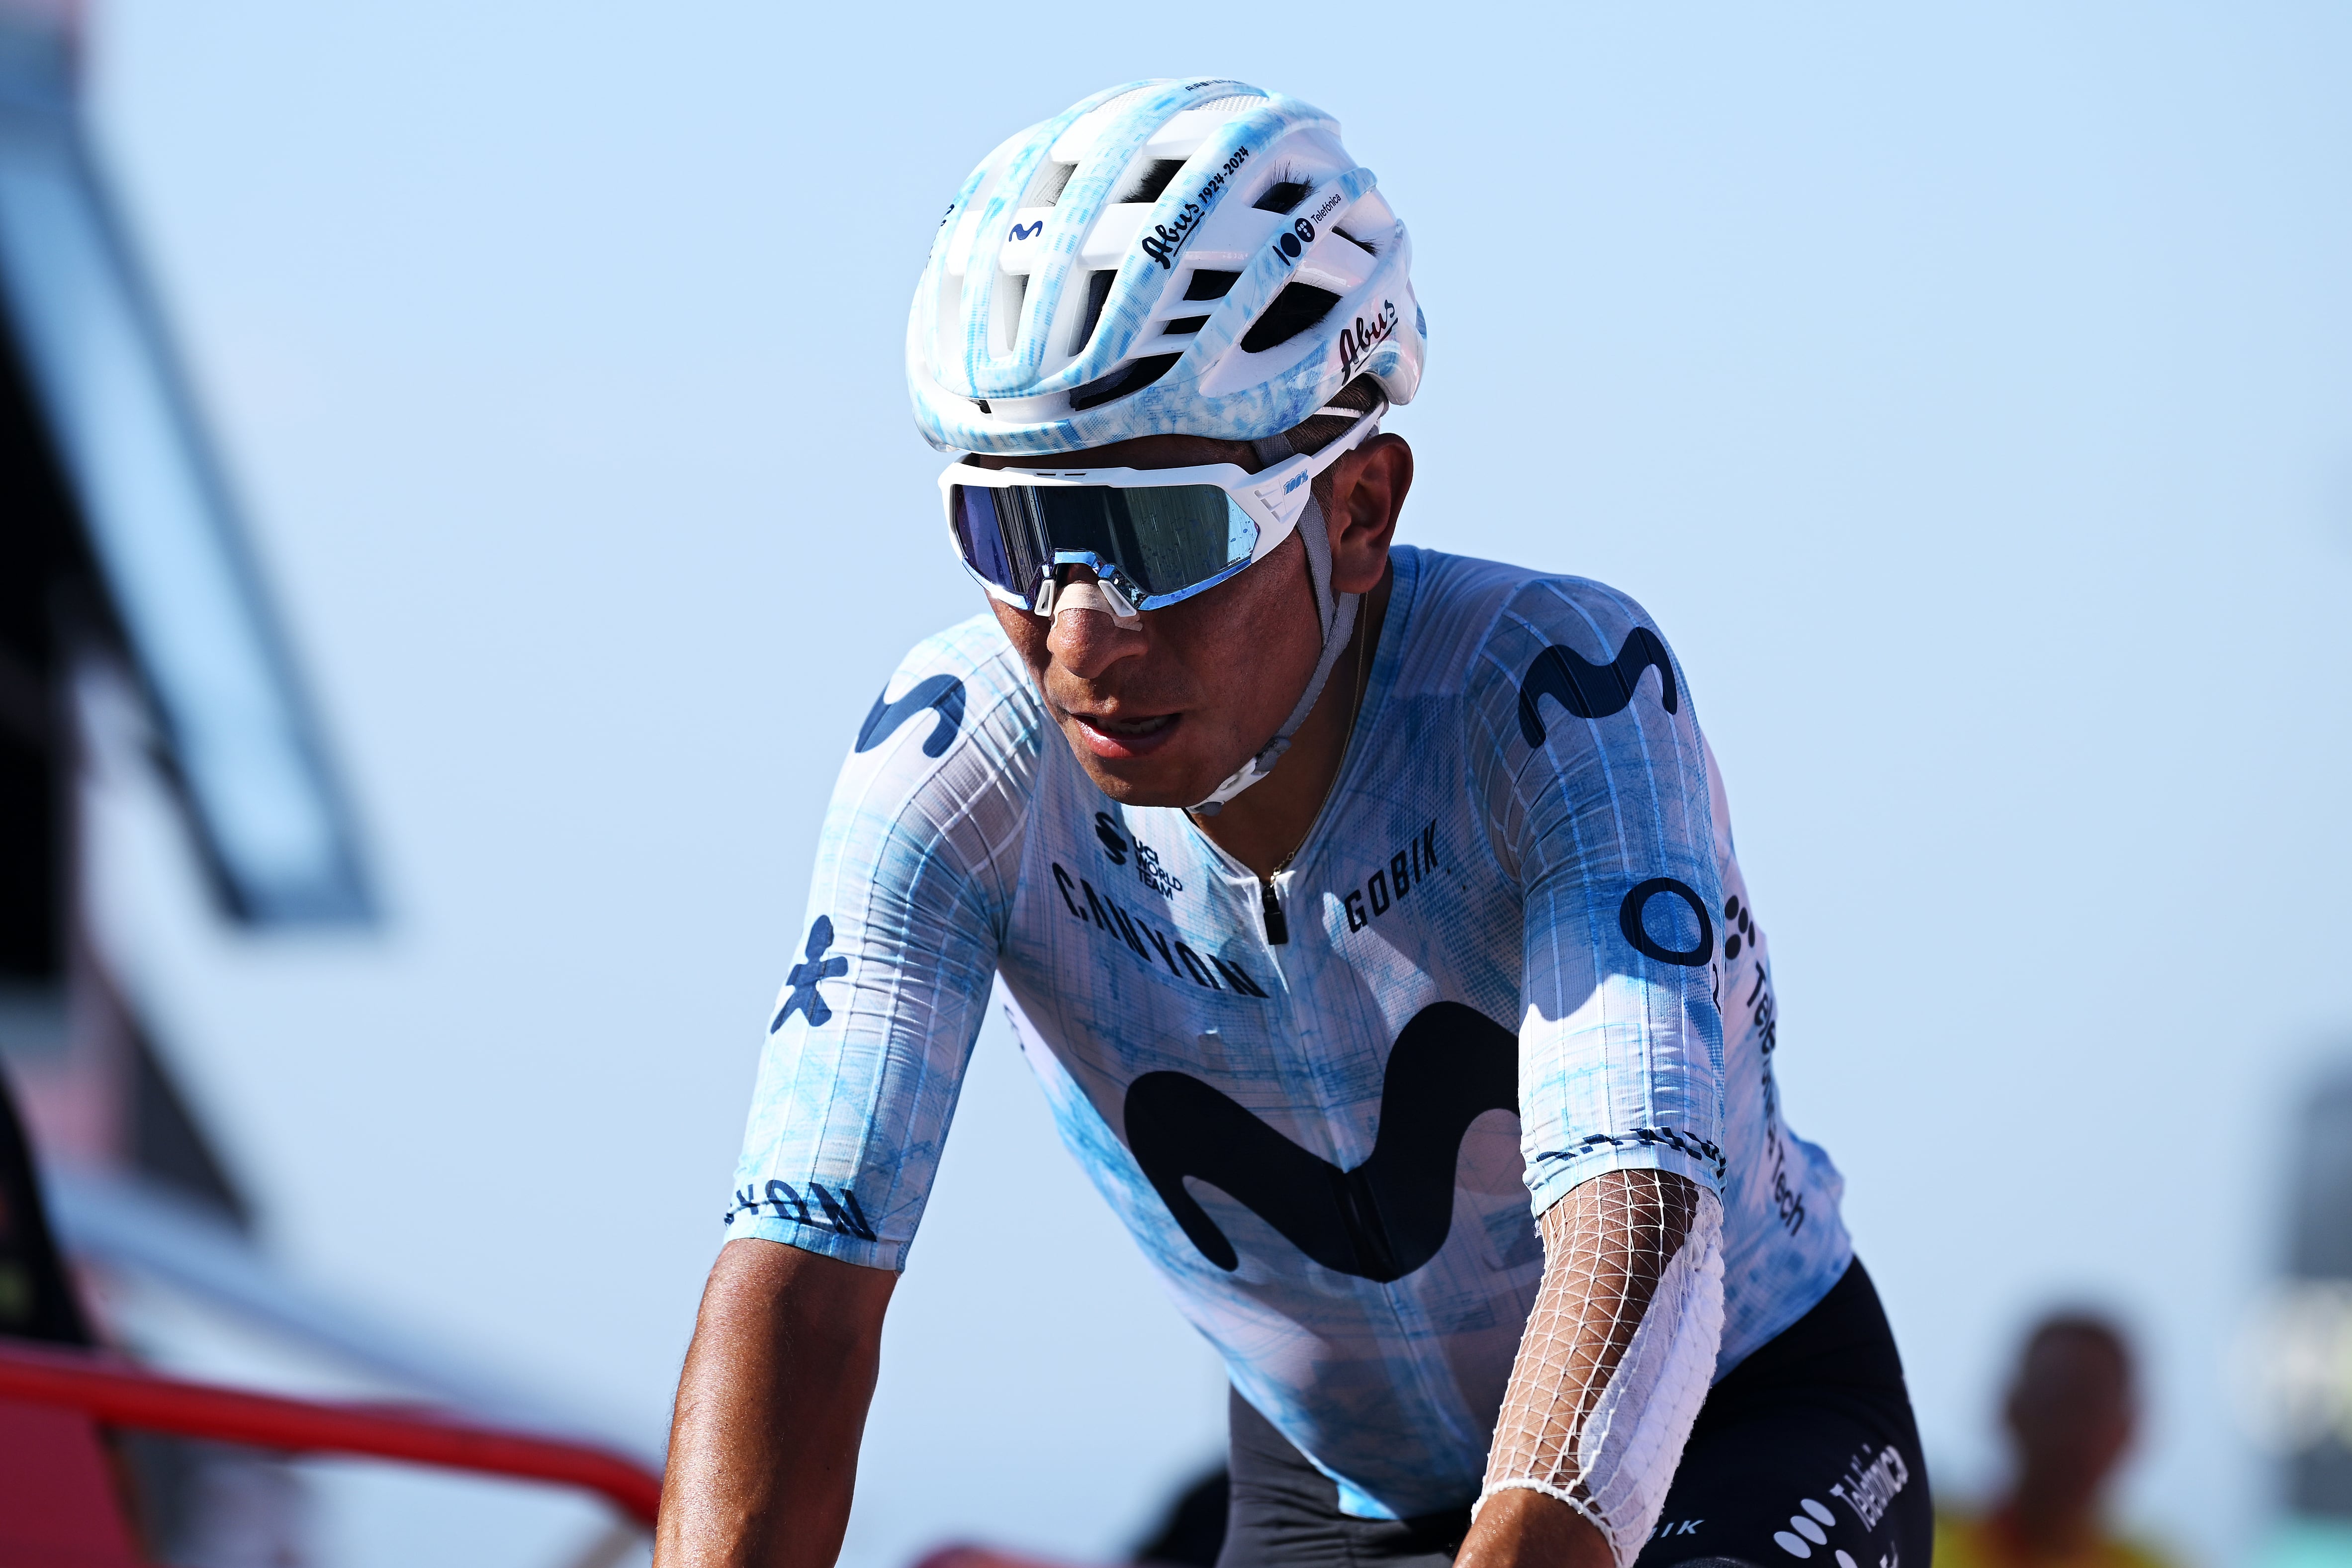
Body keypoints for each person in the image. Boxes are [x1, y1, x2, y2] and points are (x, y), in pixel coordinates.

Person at [655, 79, 1932, 1568]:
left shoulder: (1553, 697)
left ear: (1359, 506)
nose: (1079, 632)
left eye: (1159, 534)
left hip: (1727, 1416)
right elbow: (804, 1284)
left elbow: (1632, 1220)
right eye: (1008, 529)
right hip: (1337, 1491)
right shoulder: (953, 761)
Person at [1934, 1317, 2175, 1568]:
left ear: (2127, 1430)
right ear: (2014, 1412)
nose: (2073, 1432)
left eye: (2093, 1409)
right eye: (2055, 1403)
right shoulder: (1921, 1554)